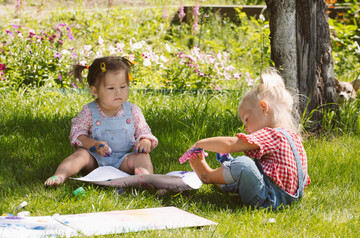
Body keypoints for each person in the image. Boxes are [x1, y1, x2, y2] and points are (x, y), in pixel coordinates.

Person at [180, 69, 310, 209]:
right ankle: (224, 183)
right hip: (289, 200)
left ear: (263, 107)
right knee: (246, 168)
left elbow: (230, 144)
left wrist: (200, 143)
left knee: (243, 164)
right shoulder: (293, 138)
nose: (245, 127)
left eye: (247, 119)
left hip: (268, 199)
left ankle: (208, 176)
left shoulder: (273, 135)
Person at [45, 56, 157, 186]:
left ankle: (146, 180)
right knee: (80, 155)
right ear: (95, 90)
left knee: (142, 157)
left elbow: (144, 131)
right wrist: (94, 144)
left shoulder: (132, 111)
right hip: (95, 160)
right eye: (111, 88)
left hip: (124, 160)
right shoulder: (89, 111)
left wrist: (145, 141)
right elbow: (77, 135)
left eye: (123, 86)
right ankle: (59, 175)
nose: (118, 92)